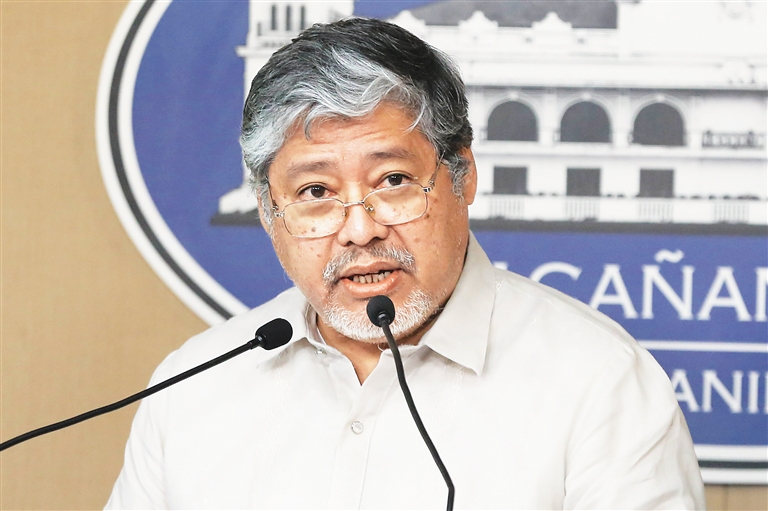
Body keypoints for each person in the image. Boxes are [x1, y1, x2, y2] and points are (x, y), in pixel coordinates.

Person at [107, 17, 705, 509]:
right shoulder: (194, 386)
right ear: (269, 213)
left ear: (462, 176)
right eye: (315, 192)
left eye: (393, 180)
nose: (360, 229)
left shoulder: (602, 384)